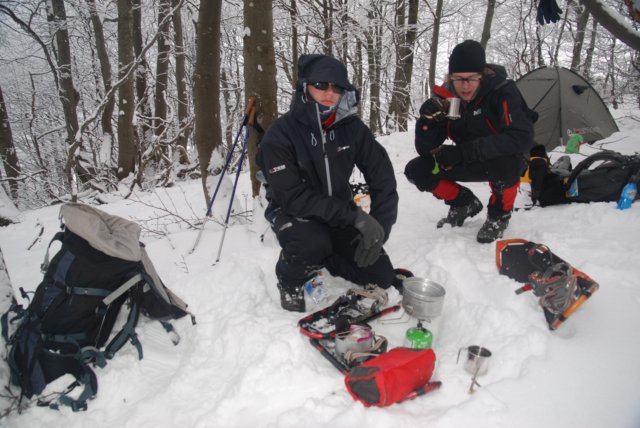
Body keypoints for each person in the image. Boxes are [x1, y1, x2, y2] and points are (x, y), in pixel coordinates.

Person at [257, 54, 399, 312]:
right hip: (293, 213)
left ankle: (328, 257)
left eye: (337, 87)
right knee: (311, 242)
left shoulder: (351, 128)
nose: (329, 93)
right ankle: (290, 276)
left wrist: (379, 228)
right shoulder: (280, 134)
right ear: (305, 86)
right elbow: (292, 197)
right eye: (321, 85)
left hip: (338, 215)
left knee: (382, 275)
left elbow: (383, 177)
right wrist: (355, 216)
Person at [404, 40, 536, 243]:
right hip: (468, 160)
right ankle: (463, 202)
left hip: (502, 161)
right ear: (450, 78)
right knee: (417, 170)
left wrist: (463, 152)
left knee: (507, 164)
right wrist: (426, 124)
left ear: (481, 75)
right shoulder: (447, 99)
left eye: (472, 79)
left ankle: (500, 215)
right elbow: (425, 150)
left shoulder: (502, 91)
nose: (465, 86)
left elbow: (522, 137)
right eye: (459, 79)